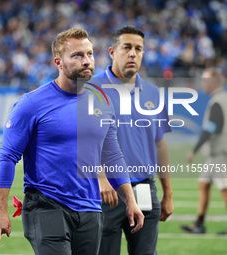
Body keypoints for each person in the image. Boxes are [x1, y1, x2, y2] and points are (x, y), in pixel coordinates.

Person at [0, 28, 144, 255]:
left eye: (90, 54)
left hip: (91, 208)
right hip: (47, 205)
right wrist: (1, 210)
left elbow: (112, 156)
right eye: (78, 55)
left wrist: (130, 202)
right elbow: (7, 157)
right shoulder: (31, 104)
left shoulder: (102, 101)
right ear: (59, 62)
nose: (87, 61)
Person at [92, 25, 174, 255]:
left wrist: (168, 192)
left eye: (138, 49)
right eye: (126, 47)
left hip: (145, 189)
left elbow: (159, 144)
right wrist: (100, 179)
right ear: (112, 51)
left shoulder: (152, 93)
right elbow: (84, 141)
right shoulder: (91, 89)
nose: (132, 53)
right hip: (106, 192)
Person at [181, 67, 227, 235]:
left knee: (224, 188)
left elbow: (211, 127)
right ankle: (199, 223)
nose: (203, 84)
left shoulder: (217, 101)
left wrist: (194, 150)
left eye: (206, 80)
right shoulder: (221, 98)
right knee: (204, 183)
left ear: (215, 82)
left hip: (220, 153)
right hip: (216, 153)